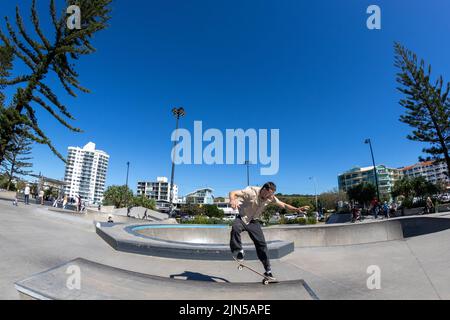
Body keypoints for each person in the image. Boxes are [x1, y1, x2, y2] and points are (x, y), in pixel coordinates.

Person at [229, 182, 309, 281]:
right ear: (263, 190)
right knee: (235, 227)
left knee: (262, 245)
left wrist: (297, 209)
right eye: (268, 194)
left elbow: (283, 205)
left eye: (271, 195)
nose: (269, 197)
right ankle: (238, 251)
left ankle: (268, 271)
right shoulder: (251, 192)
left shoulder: (271, 197)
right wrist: (232, 200)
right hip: (242, 218)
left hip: (253, 222)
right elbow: (232, 192)